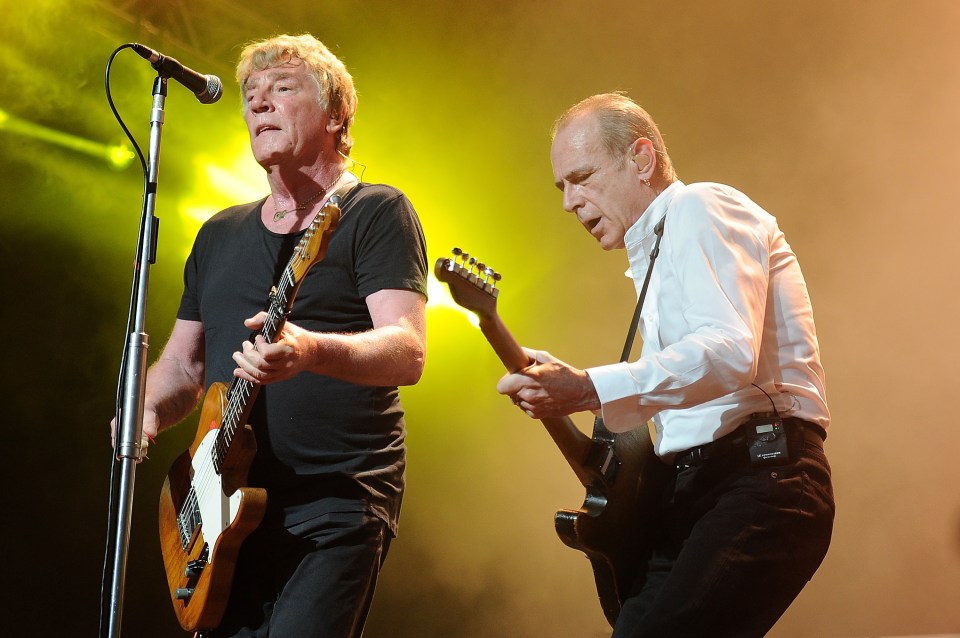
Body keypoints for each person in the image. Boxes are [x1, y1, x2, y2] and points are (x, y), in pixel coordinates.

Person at [496, 93, 834, 637]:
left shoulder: (701, 206)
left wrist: (586, 388)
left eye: (581, 177)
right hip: (694, 492)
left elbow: (728, 351)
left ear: (642, 160)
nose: (568, 202)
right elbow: (680, 390)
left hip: (758, 476)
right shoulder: (655, 254)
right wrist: (578, 384)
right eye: (561, 187)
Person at [130, 34, 427, 637]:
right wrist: (145, 411)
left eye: (282, 88)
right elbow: (185, 369)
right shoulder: (219, 233)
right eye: (250, 94)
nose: (259, 104)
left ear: (337, 112)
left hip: (334, 505)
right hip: (217, 511)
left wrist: (310, 349)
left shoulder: (374, 211)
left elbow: (407, 350)